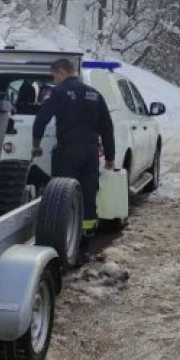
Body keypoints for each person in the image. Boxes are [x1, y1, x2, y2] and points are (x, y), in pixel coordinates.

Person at [32, 59, 115, 255]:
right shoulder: (95, 94)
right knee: (88, 196)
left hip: (68, 153)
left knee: (64, 197)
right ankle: (84, 246)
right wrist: (110, 157)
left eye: (55, 75)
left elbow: (41, 119)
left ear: (61, 72)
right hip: (90, 154)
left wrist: (36, 145)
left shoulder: (58, 92)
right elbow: (107, 128)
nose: (55, 79)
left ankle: (66, 243)